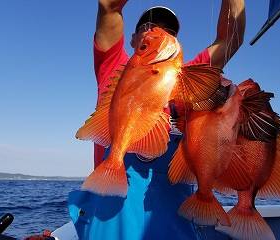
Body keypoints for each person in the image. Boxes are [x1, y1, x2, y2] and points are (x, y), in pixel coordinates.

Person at [68, 1, 246, 239]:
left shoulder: (190, 79)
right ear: (133, 39)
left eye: (170, 31)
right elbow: (108, 8)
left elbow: (230, 40)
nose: (159, 33)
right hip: (110, 216)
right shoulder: (113, 65)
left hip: (174, 218)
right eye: (149, 26)